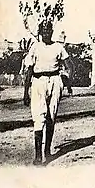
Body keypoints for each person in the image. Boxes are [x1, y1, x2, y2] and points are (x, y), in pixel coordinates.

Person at [23, 21, 70, 165]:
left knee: (51, 116)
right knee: (39, 117)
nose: (46, 32)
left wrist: (67, 82)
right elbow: (29, 70)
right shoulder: (35, 47)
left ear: (51, 31)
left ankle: (47, 151)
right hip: (38, 82)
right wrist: (26, 92)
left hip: (55, 81)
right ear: (40, 32)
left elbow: (69, 65)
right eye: (43, 30)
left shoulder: (58, 47)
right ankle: (38, 156)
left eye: (48, 30)